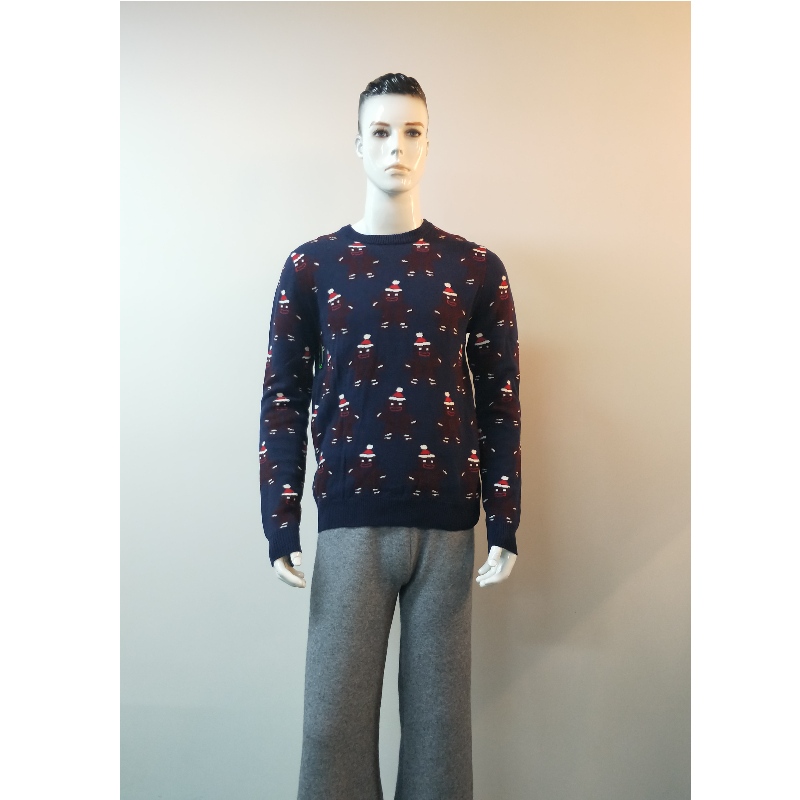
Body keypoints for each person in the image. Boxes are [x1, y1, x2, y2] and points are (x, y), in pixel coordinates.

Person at [259, 73, 521, 800]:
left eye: (411, 132)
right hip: (351, 521)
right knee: (332, 734)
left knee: (440, 739)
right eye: (380, 132)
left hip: (448, 528)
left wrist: (504, 520)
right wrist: (280, 521)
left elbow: (500, 401)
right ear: (357, 144)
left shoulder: (475, 269)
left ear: (429, 144)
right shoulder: (313, 267)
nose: (396, 148)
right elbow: (283, 397)